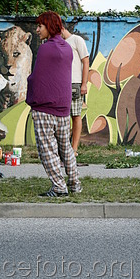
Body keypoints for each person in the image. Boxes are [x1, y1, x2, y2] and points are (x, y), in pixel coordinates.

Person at [26, 11, 82, 197]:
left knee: (47, 151)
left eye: (40, 26)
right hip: (63, 108)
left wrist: (31, 96)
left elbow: (38, 77)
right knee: (65, 147)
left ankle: (59, 187)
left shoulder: (44, 49)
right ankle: (75, 183)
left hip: (45, 108)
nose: (37, 29)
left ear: (48, 27)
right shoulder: (67, 48)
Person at [61, 24, 89, 156]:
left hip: (75, 84)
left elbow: (86, 61)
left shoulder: (77, 40)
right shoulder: (57, 43)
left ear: (61, 28)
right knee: (62, 118)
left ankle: (74, 149)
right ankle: (64, 148)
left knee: (76, 116)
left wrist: (84, 83)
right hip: (61, 84)